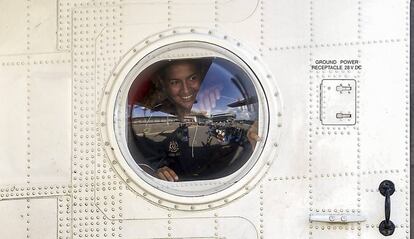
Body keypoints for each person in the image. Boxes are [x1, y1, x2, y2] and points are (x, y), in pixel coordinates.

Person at [130, 59, 260, 182]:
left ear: (202, 78)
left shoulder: (223, 110)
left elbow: (243, 139)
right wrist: (157, 171)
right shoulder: (150, 123)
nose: (185, 89)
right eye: (174, 82)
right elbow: (149, 160)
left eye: (192, 78)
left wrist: (252, 135)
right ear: (164, 85)